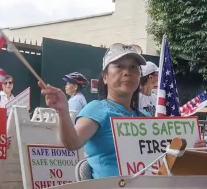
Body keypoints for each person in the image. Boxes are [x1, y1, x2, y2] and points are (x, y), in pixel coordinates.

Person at [40, 44, 147, 178]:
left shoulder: (146, 117)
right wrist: (63, 112)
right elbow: (73, 143)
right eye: (119, 66)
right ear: (105, 77)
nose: (127, 72)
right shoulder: (97, 109)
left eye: (133, 67)